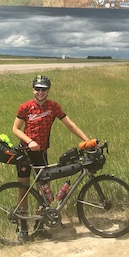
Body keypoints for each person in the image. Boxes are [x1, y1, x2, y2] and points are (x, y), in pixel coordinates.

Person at [12, 74, 89, 240]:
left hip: (41, 154)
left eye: (43, 89)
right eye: (37, 89)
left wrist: (87, 140)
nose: (40, 92)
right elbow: (16, 129)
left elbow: (70, 124)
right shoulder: (25, 107)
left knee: (43, 191)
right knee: (23, 190)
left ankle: (39, 227)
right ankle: (23, 229)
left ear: (48, 91)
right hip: (25, 153)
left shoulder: (53, 107)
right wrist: (29, 141)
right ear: (33, 89)